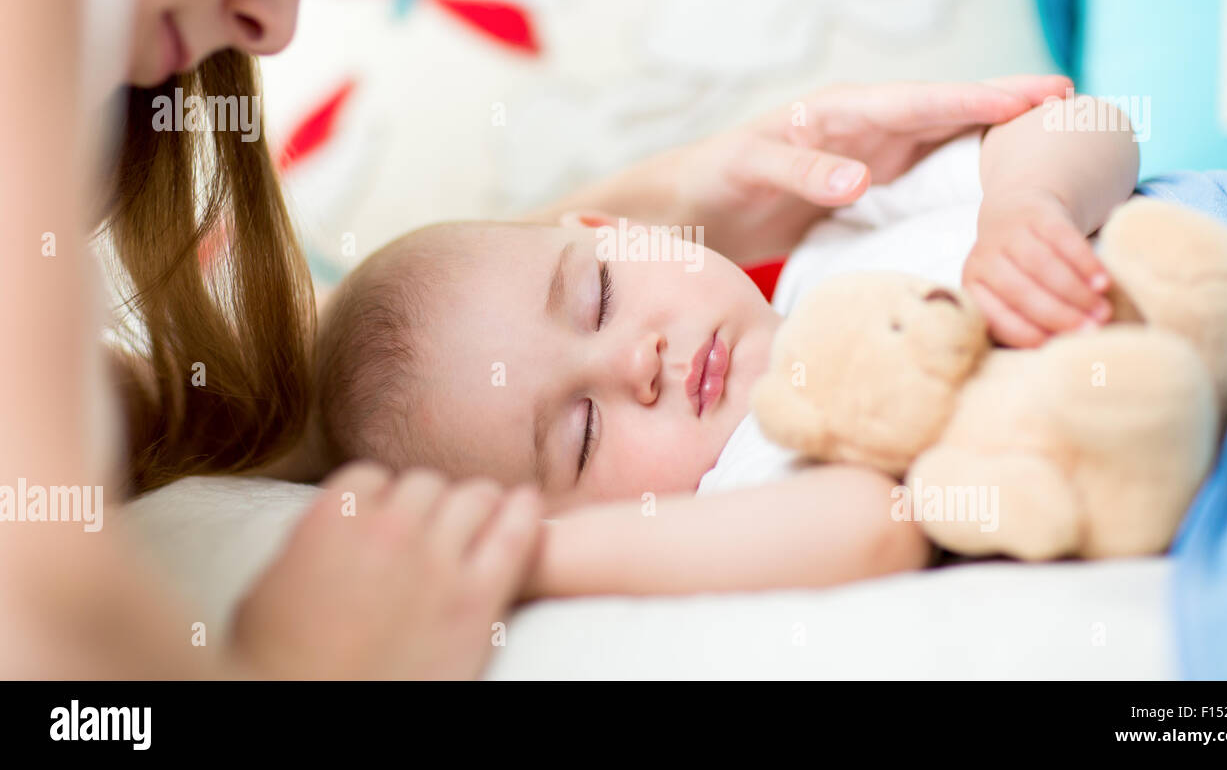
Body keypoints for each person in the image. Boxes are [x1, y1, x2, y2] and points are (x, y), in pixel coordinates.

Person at [0, 0, 1068, 678]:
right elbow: (53, 607)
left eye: (594, 289)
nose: (275, 19)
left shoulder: (847, 246)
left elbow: (165, 423)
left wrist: (645, 210)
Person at [302, 94, 1138, 595]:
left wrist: (1031, 200)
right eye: (583, 433)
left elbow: (1086, 122)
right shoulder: (751, 473)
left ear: (616, 228)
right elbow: (876, 527)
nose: (637, 364)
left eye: (599, 298)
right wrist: (525, 559)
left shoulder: (836, 236)